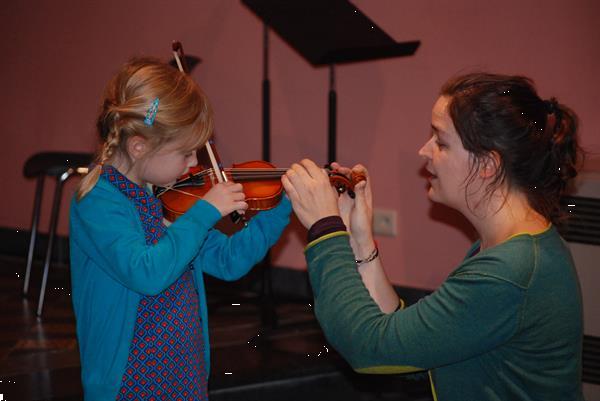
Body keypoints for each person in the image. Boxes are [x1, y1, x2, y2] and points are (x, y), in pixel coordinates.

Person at [282, 72, 583, 400]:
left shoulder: (510, 271)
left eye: (440, 141)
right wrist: (359, 239)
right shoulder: (507, 249)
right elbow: (408, 349)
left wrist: (326, 231)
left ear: (487, 164)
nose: (424, 151)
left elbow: (368, 350)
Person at [70, 57, 291, 401]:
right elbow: (147, 272)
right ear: (139, 146)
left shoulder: (166, 198)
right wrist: (204, 213)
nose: (195, 165)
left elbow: (229, 261)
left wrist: (282, 204)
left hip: (183, 376)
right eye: (186, 153)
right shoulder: (99, 203)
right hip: (129, 386)